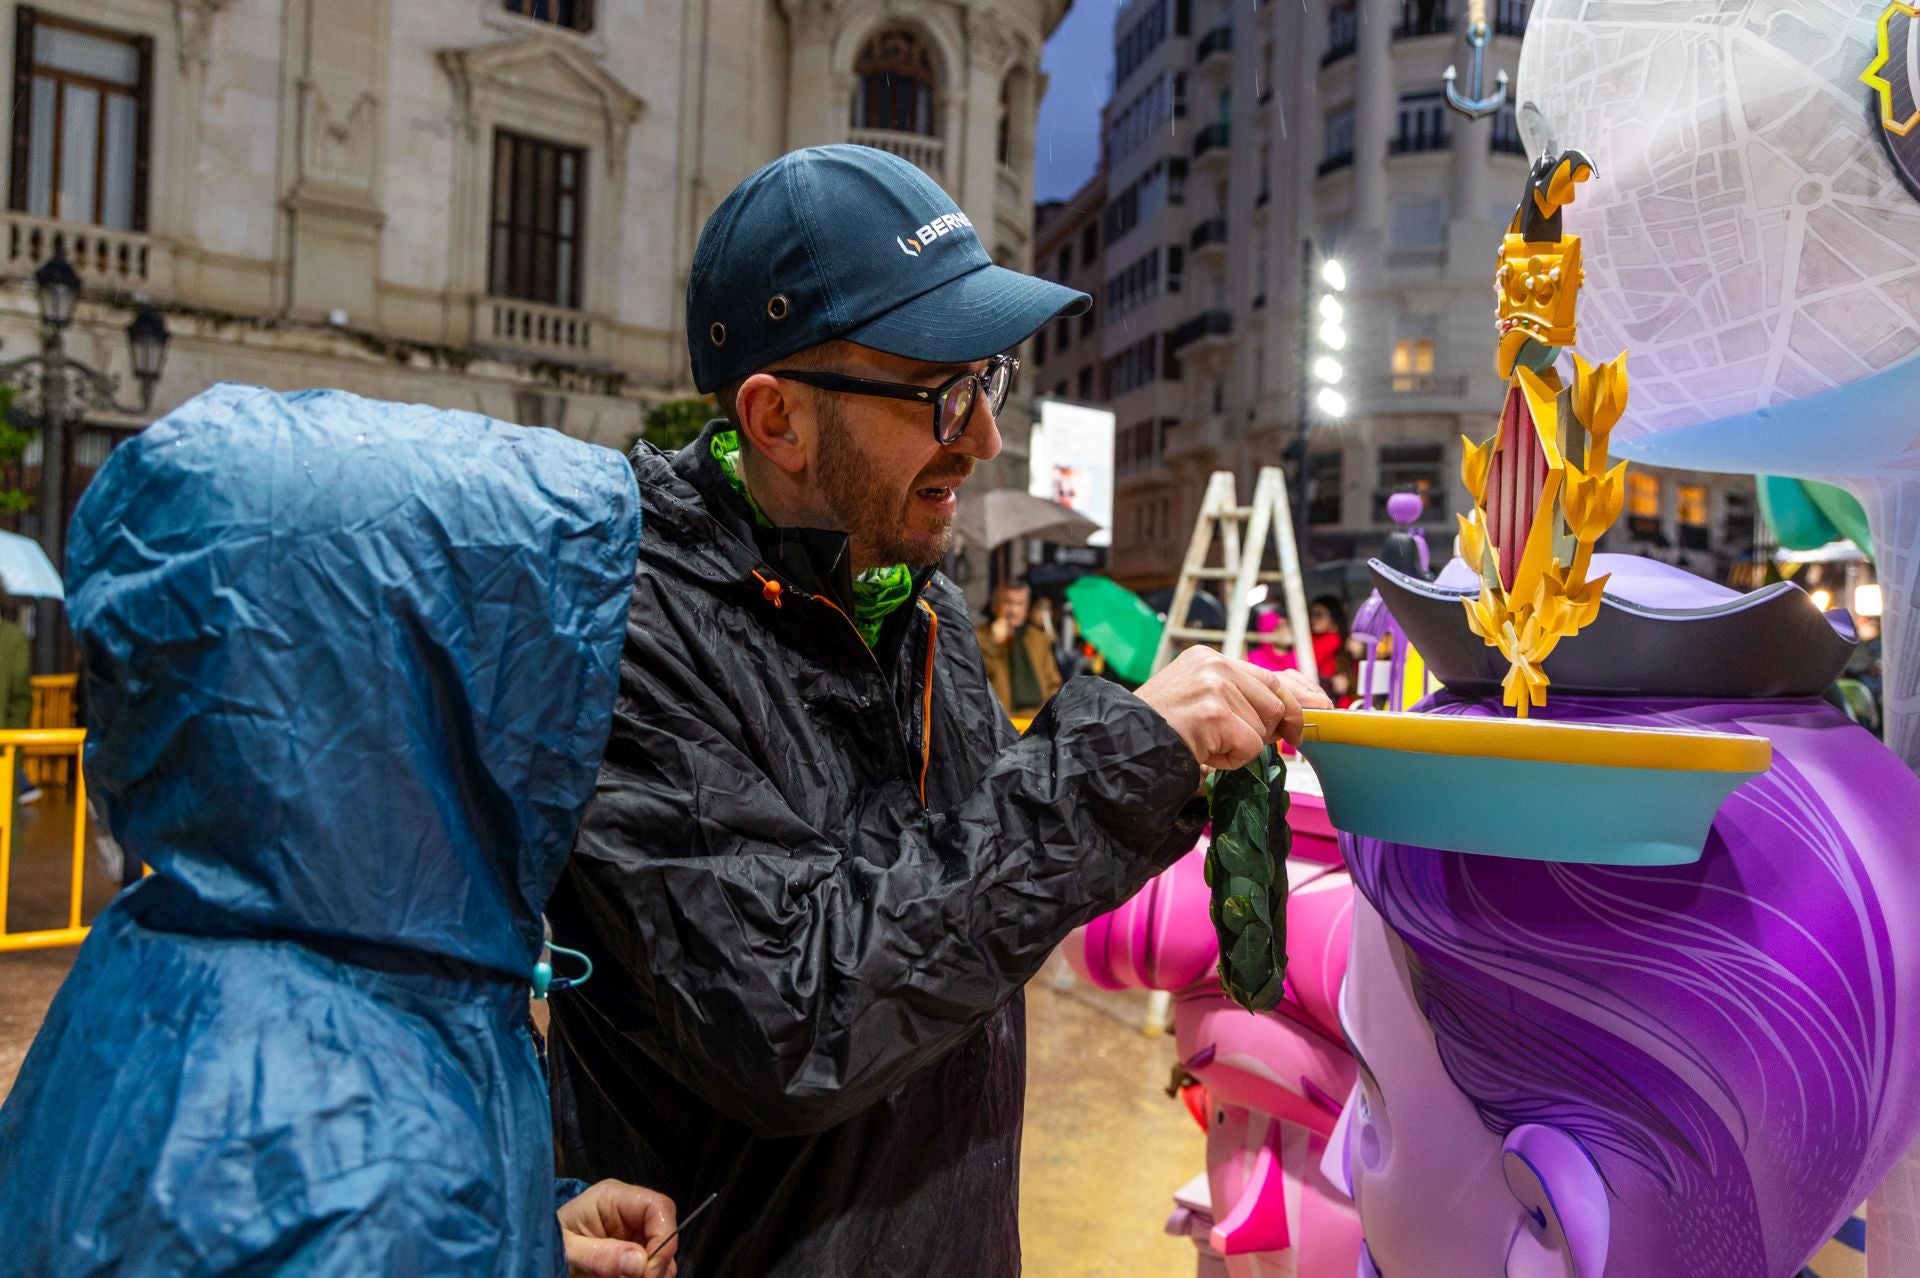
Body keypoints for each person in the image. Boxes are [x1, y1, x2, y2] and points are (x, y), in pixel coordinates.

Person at [543, 145, 1327, 1278]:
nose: (986, 436)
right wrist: (1113, 764)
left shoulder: (925, 606)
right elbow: (794, 1017)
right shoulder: (631, 634)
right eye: (941, 393)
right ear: (777, 418)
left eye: (991, 378)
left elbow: (964, 906)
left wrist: (1189, 771)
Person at [0, 385, 680, 1278]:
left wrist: (522, 1231)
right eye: (538, 660)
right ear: (423, 699)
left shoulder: (187, 942)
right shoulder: (373, 1157)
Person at [977, 579, 1064, 718]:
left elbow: (1053, 683)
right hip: (998, 723)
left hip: (1034, 724)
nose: (1014, 610)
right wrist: (993, 643)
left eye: (1020, 603)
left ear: (1027, 607)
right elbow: (976, 678)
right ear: (995, 605)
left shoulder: (1039, 638)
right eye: (1008, 602)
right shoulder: (979, 637)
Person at [1309, 593, 1359, 705]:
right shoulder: (1310, 639)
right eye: (1311, 614)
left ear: (1333, 617)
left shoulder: (1337, 640)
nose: (1313, 619)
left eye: (1319, 615)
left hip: (1339, 703)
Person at [1246, 609, 1299, 674]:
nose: (1287, 630)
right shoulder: (1254, 659)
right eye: (1280, 627)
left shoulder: (1298, 657)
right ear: (1267, 631)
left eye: (1287, 625)